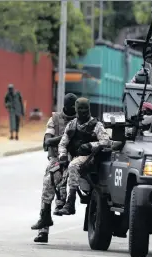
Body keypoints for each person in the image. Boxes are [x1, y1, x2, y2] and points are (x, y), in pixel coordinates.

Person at [30, 93, 78, 243]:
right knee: (48, 182)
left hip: (77, 159)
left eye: (74, 108)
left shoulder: (81, 119)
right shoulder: (55, 119)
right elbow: (47, 141)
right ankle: (44, 225)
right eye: (69, 107)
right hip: (58, 158)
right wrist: (65, 137)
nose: (71, 111)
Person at [56, 98, 113, 216]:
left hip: (90, 158)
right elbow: (62, 143)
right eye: (80, 109)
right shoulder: (72, 125)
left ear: (89, 109)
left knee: (73, 165)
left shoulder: (96, 125)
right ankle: (60, 202)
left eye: (85, 108)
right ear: (76, 109)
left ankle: (70, 204)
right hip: (75, 157)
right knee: (56, 171)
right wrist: (62, 156)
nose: (83, 111)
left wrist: (90, 145)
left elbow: (106, 141)